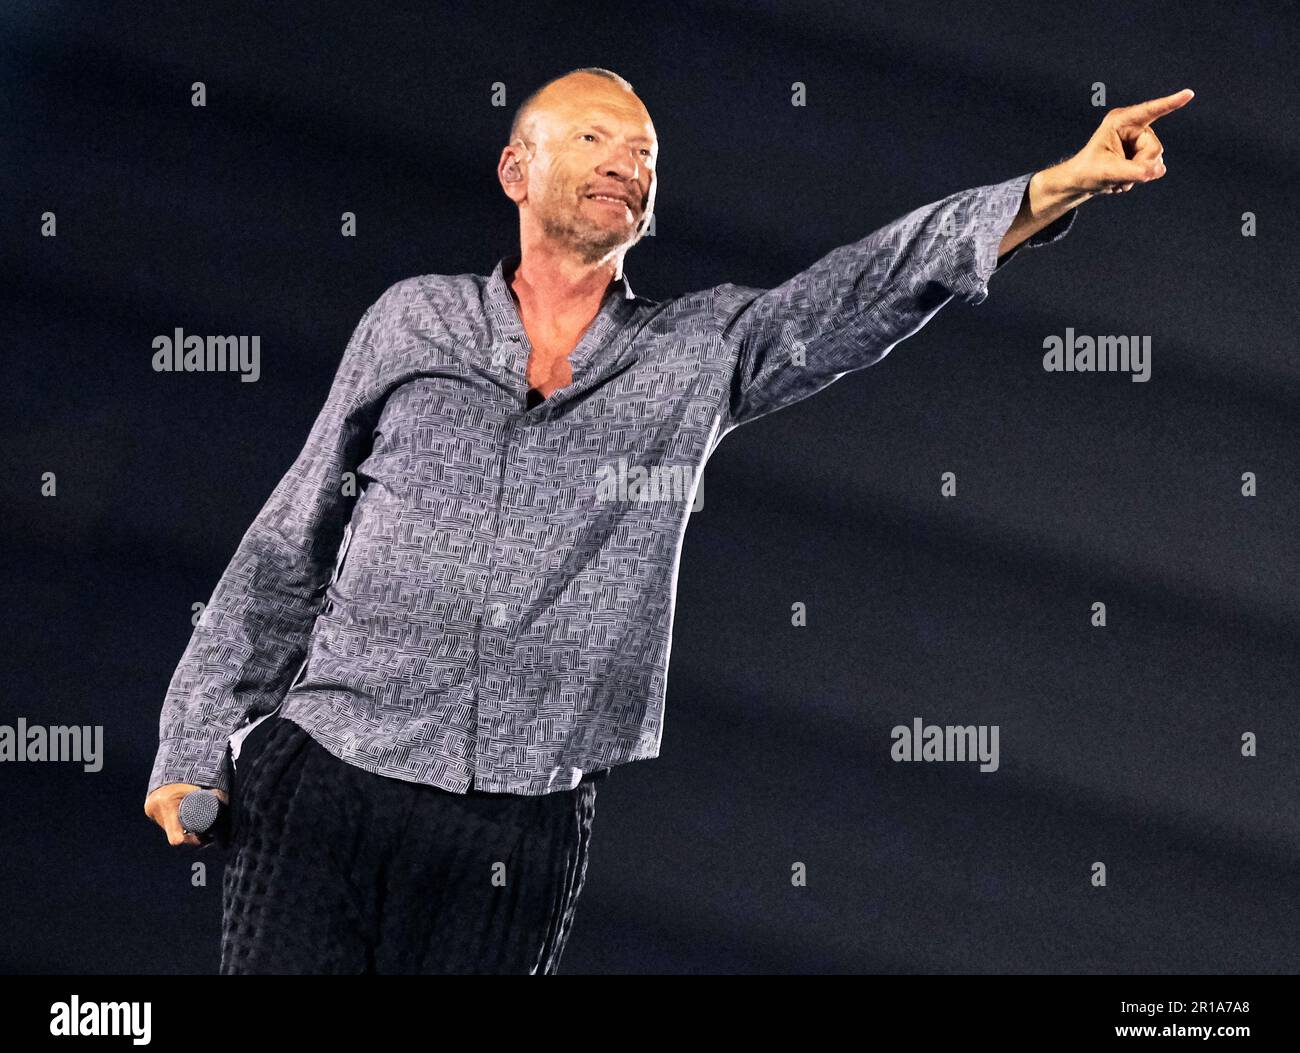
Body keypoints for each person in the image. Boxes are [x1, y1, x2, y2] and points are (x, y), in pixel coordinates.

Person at [143, 67, 1193, 974]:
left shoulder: (699, 350)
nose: (624, 161)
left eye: (643, 153)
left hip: (515, 821)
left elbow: (865, 287)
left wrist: (1054, 187)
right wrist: (194, 740)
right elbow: (290, 537)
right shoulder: (411, 318)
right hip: (324, 776)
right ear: (517, 171)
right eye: (593, 137)